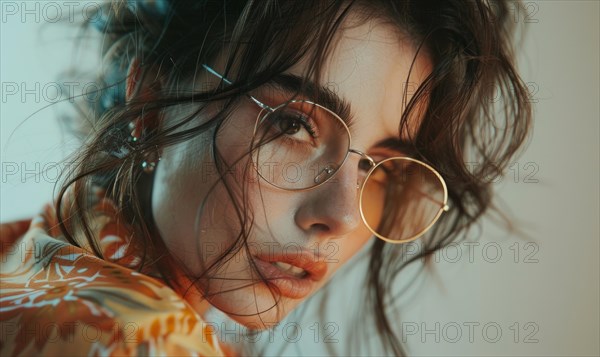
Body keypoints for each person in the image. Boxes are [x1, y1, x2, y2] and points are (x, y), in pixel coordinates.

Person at [0, 0, 532, 355]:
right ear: (151, 101)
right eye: (293, 124)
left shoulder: (36, 253)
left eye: (384, 168)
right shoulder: (133, 340)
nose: (343, 215)